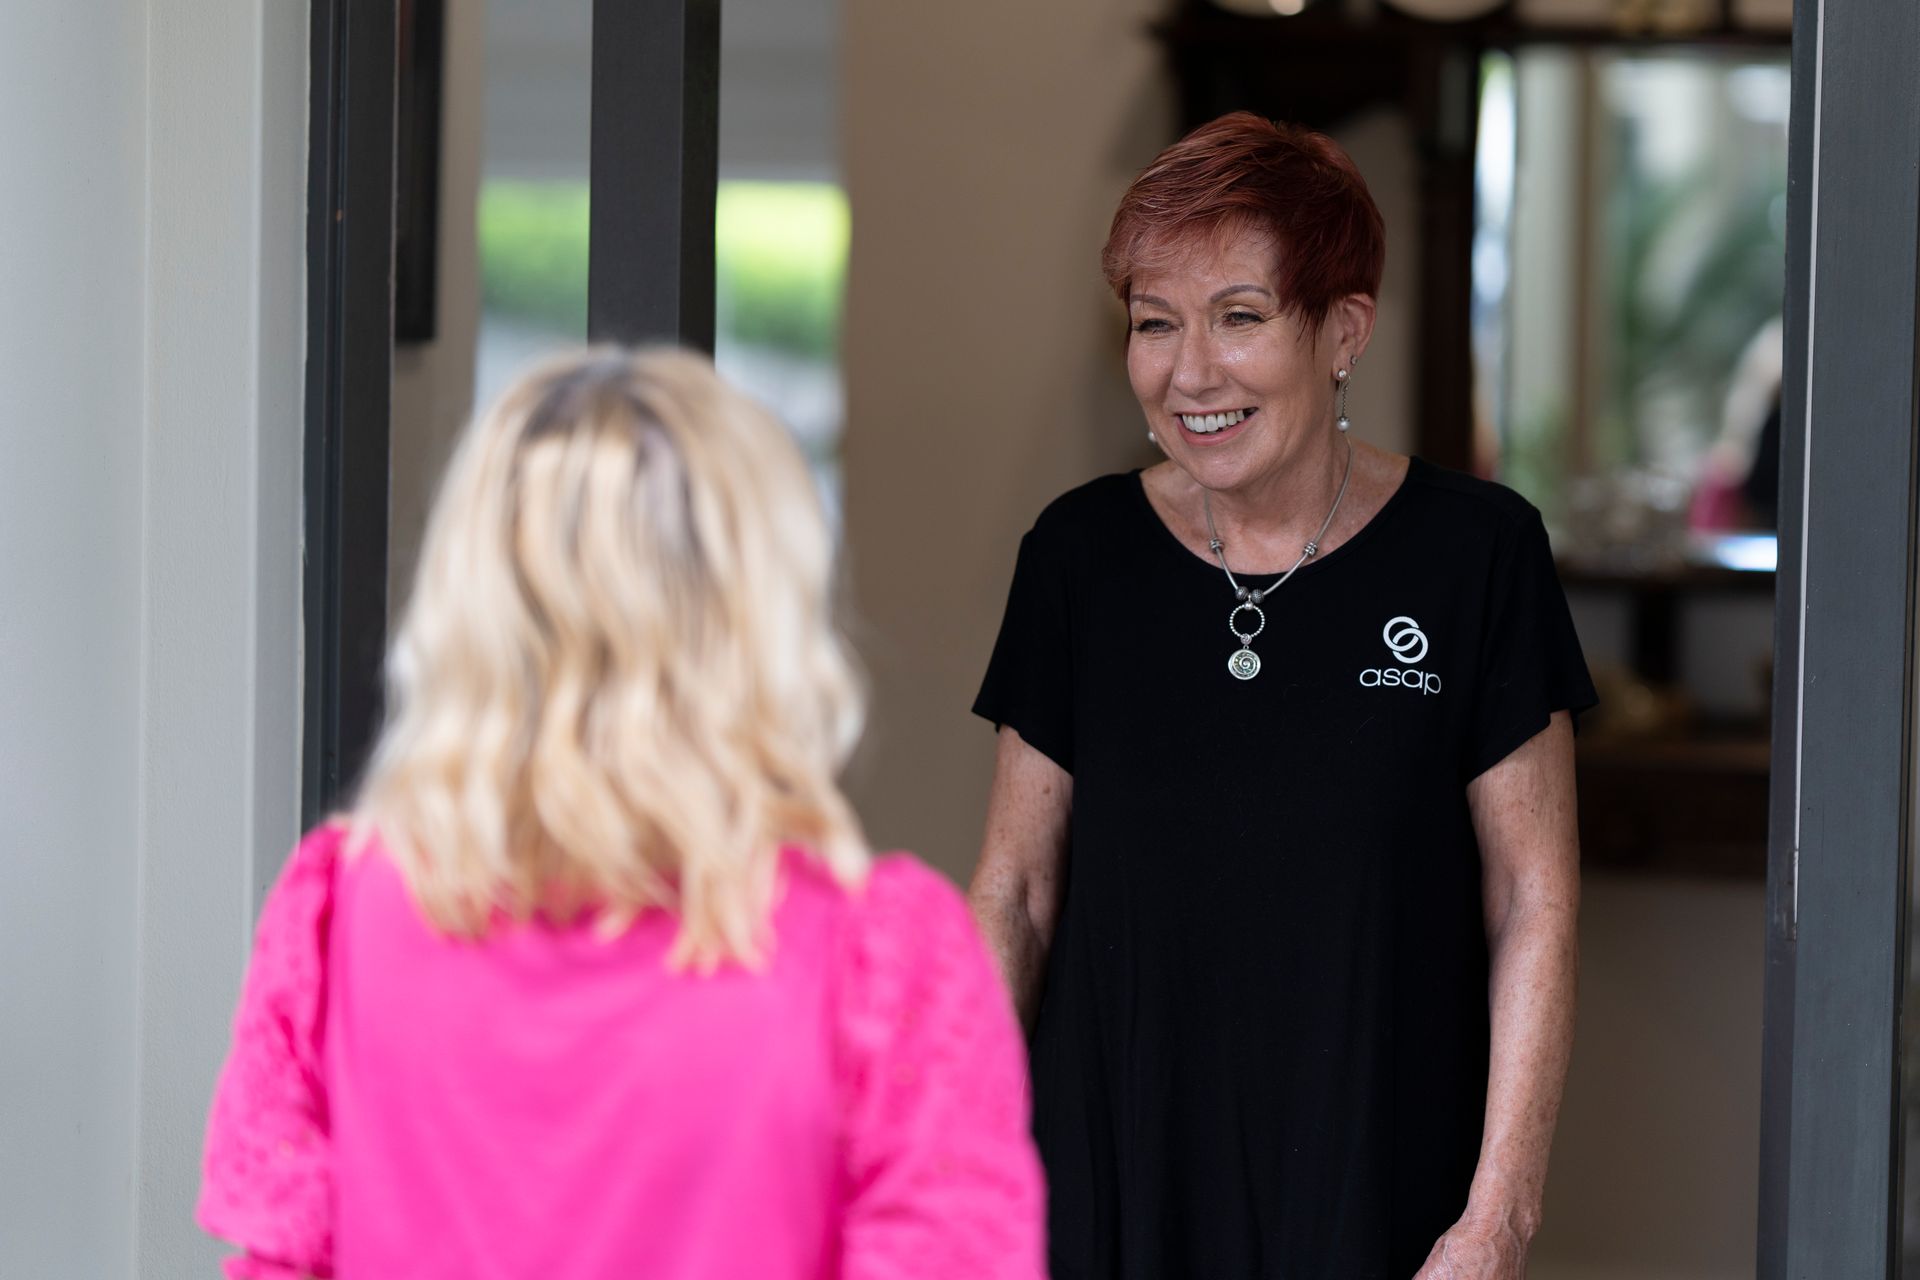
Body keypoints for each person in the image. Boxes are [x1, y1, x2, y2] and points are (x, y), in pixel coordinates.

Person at [198, 349, 1044, 1280]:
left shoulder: (332, 916)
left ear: (471, 598)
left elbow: (279, 1261)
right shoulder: (881, 958)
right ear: (760, 606)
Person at [968, 113, 1596, 1279]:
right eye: (1154, 323)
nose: (1189, 371)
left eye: (1240, 317)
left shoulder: (1475, 556)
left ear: (1342, 330)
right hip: (1106, 1182)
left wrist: (1499, 1216)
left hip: (1376, 1188)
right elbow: (1016, 893)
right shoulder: (1079, 556)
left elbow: (1534, 900)